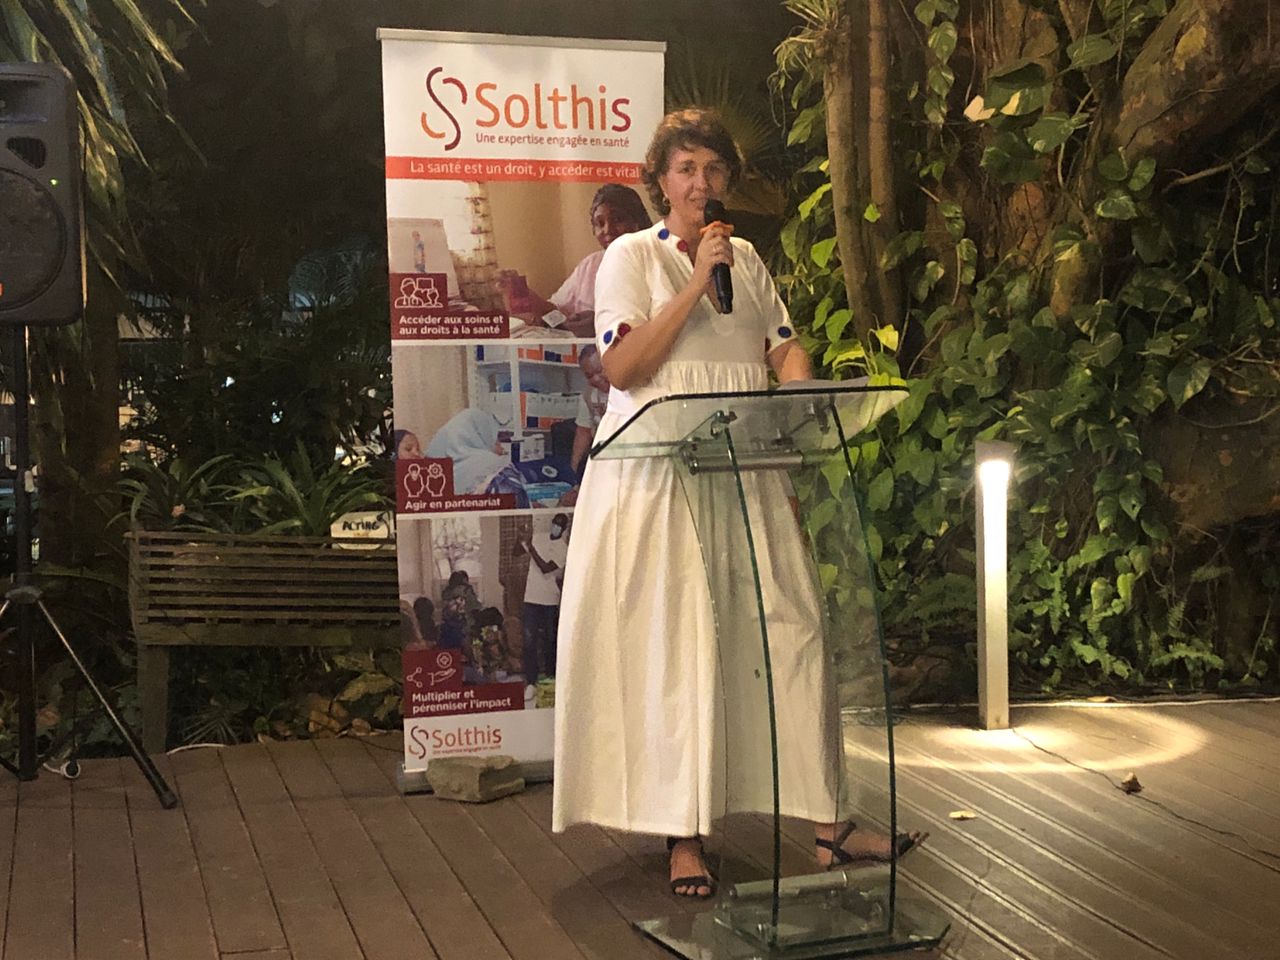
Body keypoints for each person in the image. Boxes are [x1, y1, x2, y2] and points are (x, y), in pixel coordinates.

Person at [551, 109, 924, 899]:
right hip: (659, 482)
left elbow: (781, 345)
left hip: (750, 467)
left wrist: (799, 396)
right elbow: (624, 368)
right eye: (686, 169)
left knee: (797, 632)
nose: (702, 183)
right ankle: (684, 835)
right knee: (682, 649)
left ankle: (829, 826)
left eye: (714, 169)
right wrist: (695, 282)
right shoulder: (629, 257)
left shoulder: (746, 258)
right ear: (661, 181)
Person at [501, 184, 651, 338]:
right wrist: (524, 294)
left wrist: (600, 324)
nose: (607, 230)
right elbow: (557, 314)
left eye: (618, 219)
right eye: (599, 224)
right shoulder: (591, 265)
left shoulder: (655, 264)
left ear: (638, 222)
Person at [425, 409, 530, 507]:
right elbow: (519, 505)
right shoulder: (495, 467)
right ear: (483, 435)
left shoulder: (434, 478)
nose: (499, 445)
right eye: (495, 437)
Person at [519, 513, 569, 703]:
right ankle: (531, 682)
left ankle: (551, 680)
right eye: (555, 523)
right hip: (531, 598)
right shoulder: (538, 537)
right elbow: (517, 552)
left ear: (564, 529)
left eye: (560, 525)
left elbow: (546, 568)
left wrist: (531, 548)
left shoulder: (563, 548)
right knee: (529, 641)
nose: (556, 527)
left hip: (550, 600)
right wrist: (521, 538)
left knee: (550, 641)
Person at [570, 345, 610, 477]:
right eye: (589, 375)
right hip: (601, 454)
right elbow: (583, 432)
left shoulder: (628, 391)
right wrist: (574, 474)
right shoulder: (588, 395)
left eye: (600, 371)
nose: (596, 378)